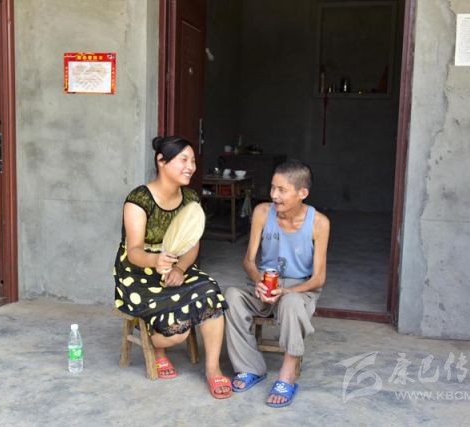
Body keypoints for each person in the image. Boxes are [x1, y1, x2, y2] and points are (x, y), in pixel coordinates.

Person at [113, 136, 232, 399]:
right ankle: (156, 343)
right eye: (184, 160)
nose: (191, 167)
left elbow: (192, 245)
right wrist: (156, 261)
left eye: (193, 161)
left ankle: (213, 369)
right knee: (178, 333)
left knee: (210, 291)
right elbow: (134, 251)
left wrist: (180, 268)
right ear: (162, 161)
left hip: (175, 266)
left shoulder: (190, 198)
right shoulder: (139, 199)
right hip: (138, 272)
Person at [224, 159, 330, 407]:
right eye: (272, 188)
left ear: (302, 193)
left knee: (291, 302)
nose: (274, 195)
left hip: (298, 289)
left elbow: (318, 279)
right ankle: (249, 367)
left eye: (282, 190)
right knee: (231, 296)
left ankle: (287, 374)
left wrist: (286, 291)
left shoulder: (319, 223)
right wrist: (259, 282)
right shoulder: (262, 212)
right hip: (265, 283)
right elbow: (249, 260)